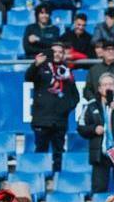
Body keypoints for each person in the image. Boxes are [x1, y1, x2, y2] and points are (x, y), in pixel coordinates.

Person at [26, 43, 79, 173]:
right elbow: (28, 77)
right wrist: (35, 64)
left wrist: (65, 109)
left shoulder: (67, 72)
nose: (57, 54)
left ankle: (57, 178)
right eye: (54, 52)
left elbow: (75, 96)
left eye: (60, 52)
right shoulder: (41, 68)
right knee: (41, 152)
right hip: (42, 119)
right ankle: (39, 178)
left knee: (59, 153)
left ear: (63, 55)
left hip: (60, 121)